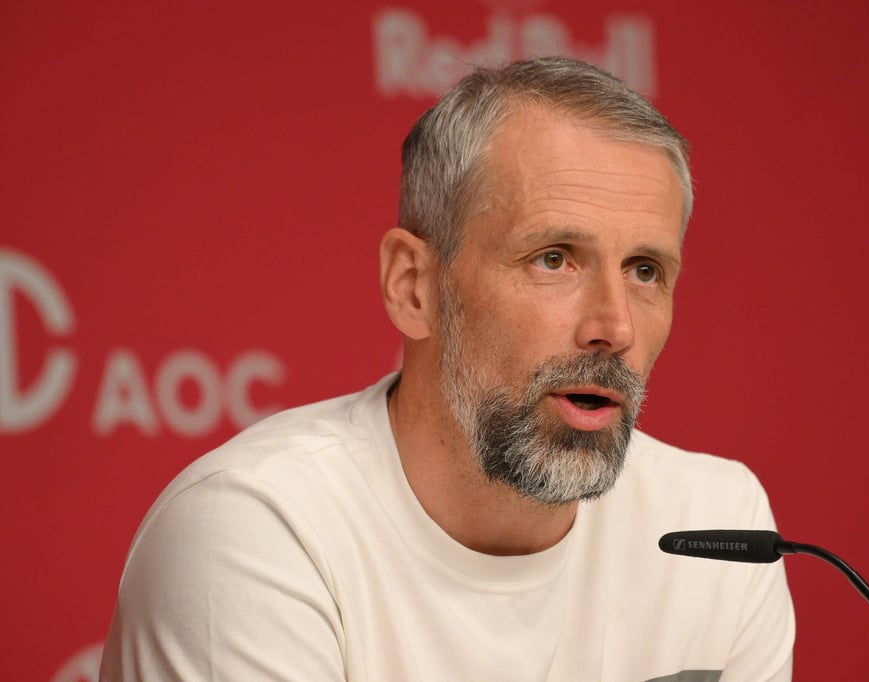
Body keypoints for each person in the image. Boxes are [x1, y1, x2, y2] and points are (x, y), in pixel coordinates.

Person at [100, 57, 795, 681]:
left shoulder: (721, 529)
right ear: (414, 287)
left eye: (645, 271)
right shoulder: (258, 528)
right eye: (554, 259)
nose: (615, 327)